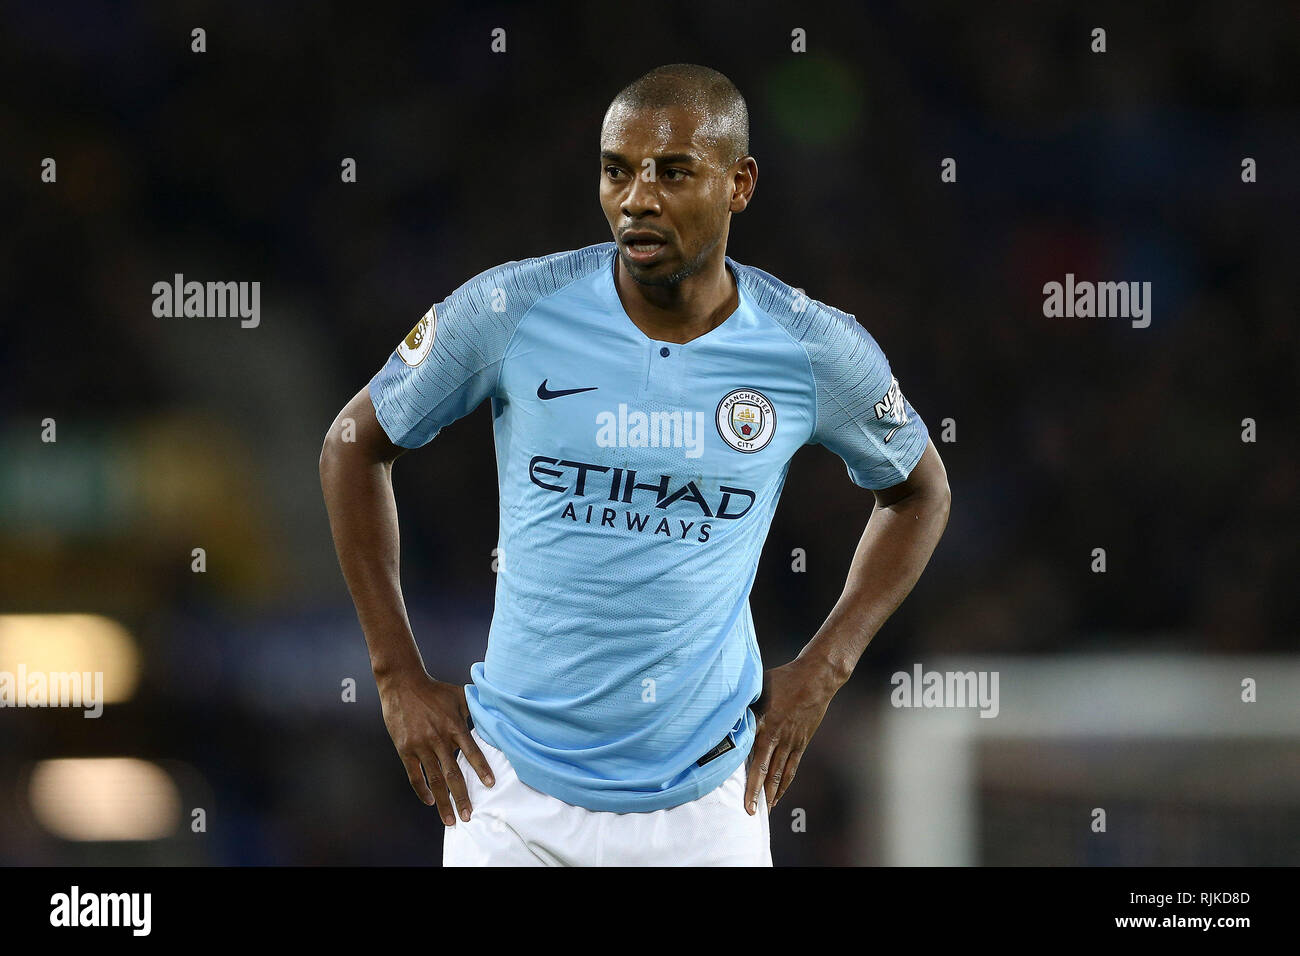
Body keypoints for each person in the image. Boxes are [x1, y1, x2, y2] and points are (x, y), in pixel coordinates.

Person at [319, 63, 951, 866]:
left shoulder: (810, 348)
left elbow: (919, 490)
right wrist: (395, 674)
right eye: (618, 171)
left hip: (711, 805)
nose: (638, 199)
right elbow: (351, 444)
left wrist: (826, 667)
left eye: (674, 172)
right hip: (508, 796)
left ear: (739, 184)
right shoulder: (513, 310)